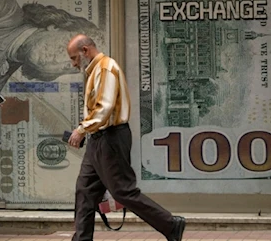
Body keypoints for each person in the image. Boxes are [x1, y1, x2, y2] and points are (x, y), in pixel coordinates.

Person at [66, 34, 186, 241]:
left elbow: (104, 108)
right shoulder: (95, 70)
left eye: (74, 58)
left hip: (110, 138)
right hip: (98, 140)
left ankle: (170, 225)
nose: (73, 63)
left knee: (123, 191)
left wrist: (81, 130)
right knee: (84, 191)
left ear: (85, 51)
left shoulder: (105, 68)